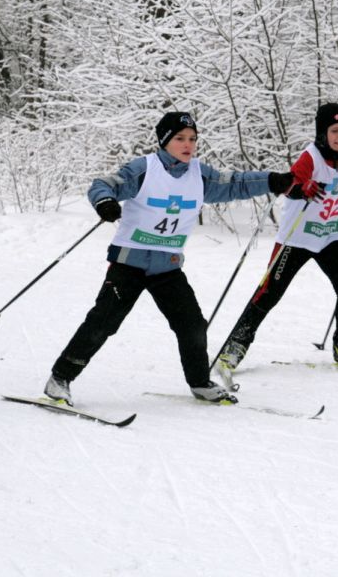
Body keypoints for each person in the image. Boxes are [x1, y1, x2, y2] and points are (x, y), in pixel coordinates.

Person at [44, 111, 295, 406]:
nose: (188, 145)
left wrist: (273, 181)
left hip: (167, 266)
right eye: (180, 139)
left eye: (192, 139)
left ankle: (200, 382)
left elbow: (234, 183)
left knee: (192, 324)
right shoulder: (144, 169)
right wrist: (105, 201)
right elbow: (104, 184)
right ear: (164, 141)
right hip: (129, 262)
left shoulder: (199, 174)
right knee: (104, 321)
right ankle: (60, 378)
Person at [215, 102, 338, 380]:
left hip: (329, 235)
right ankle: (235, 345)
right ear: (322, 132)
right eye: (334, 131)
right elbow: (291, 184)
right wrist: (301, 187)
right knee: (269, 291)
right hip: (297, 237)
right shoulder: (311, 157)